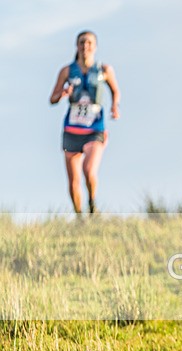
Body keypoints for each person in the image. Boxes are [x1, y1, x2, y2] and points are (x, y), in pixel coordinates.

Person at [49, 30, 120, 214]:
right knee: (73, 181)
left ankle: (92, 203)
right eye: (81, 42)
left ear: (95, 47)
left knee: (89, 170)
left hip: (95, 129)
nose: (85, 46)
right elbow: (52, 98)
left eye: (89, 43)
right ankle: (79, 216)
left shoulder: (104, 70)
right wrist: (63, 94)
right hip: (72, 130)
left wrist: (114, 107)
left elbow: (115, 91)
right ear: (77, 46)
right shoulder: (67, 71)